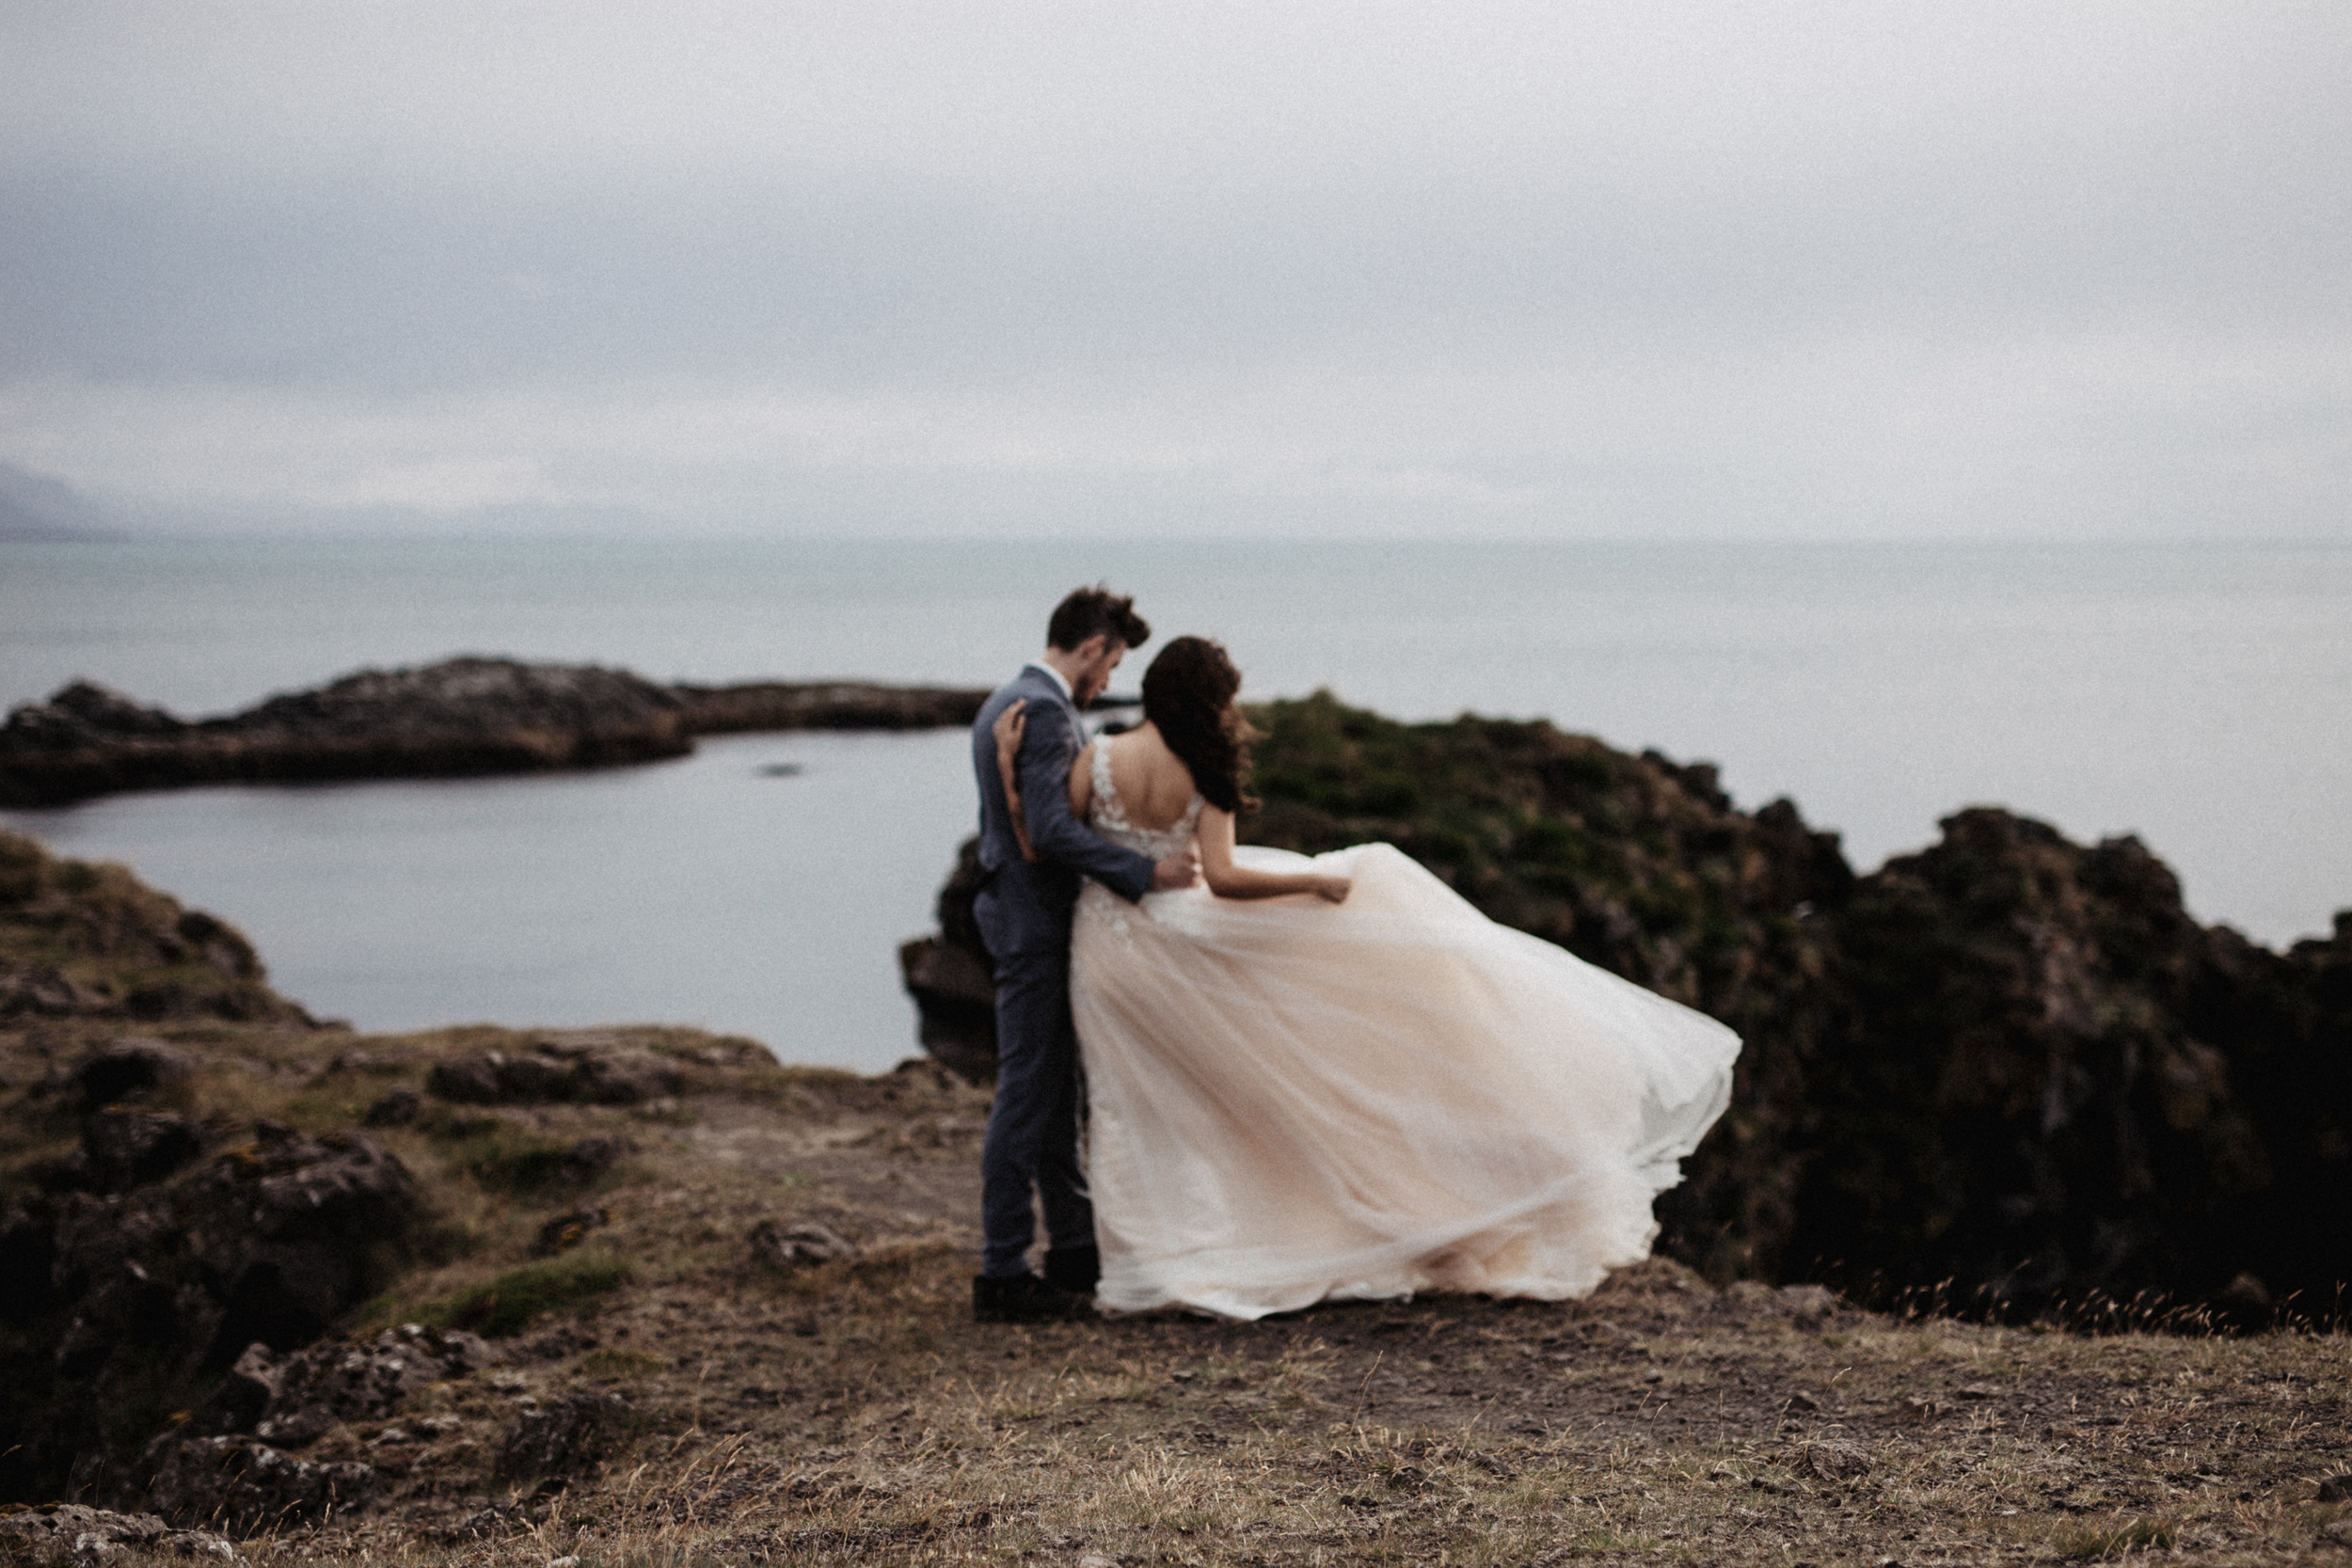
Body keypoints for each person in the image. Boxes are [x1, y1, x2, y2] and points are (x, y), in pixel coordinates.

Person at [994, 635, 1741, 1320]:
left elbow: (1044, 844)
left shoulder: (1095, 760)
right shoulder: (1205, 767)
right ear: (1208, 701)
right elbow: (1220, 879)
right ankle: (1225, 1241)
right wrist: (1312, 888)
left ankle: (1143, 1263)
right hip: (1176, 937)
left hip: (1109, 949)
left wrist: (1007, 768)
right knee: (1217, 1098)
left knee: (1133, 1104)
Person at [966, 586, 1200, 1323]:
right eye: (1113, 662)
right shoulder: (1040, 711)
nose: (1108, 680)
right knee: (1028, 1093)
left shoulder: (1012, 699)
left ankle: (1072, 1245)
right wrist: (1145, 872)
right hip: (1034, 926)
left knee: (1054, 1092)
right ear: (1094, 647)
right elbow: (1050, 833)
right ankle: (1003, 1267)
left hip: (1019, 913)